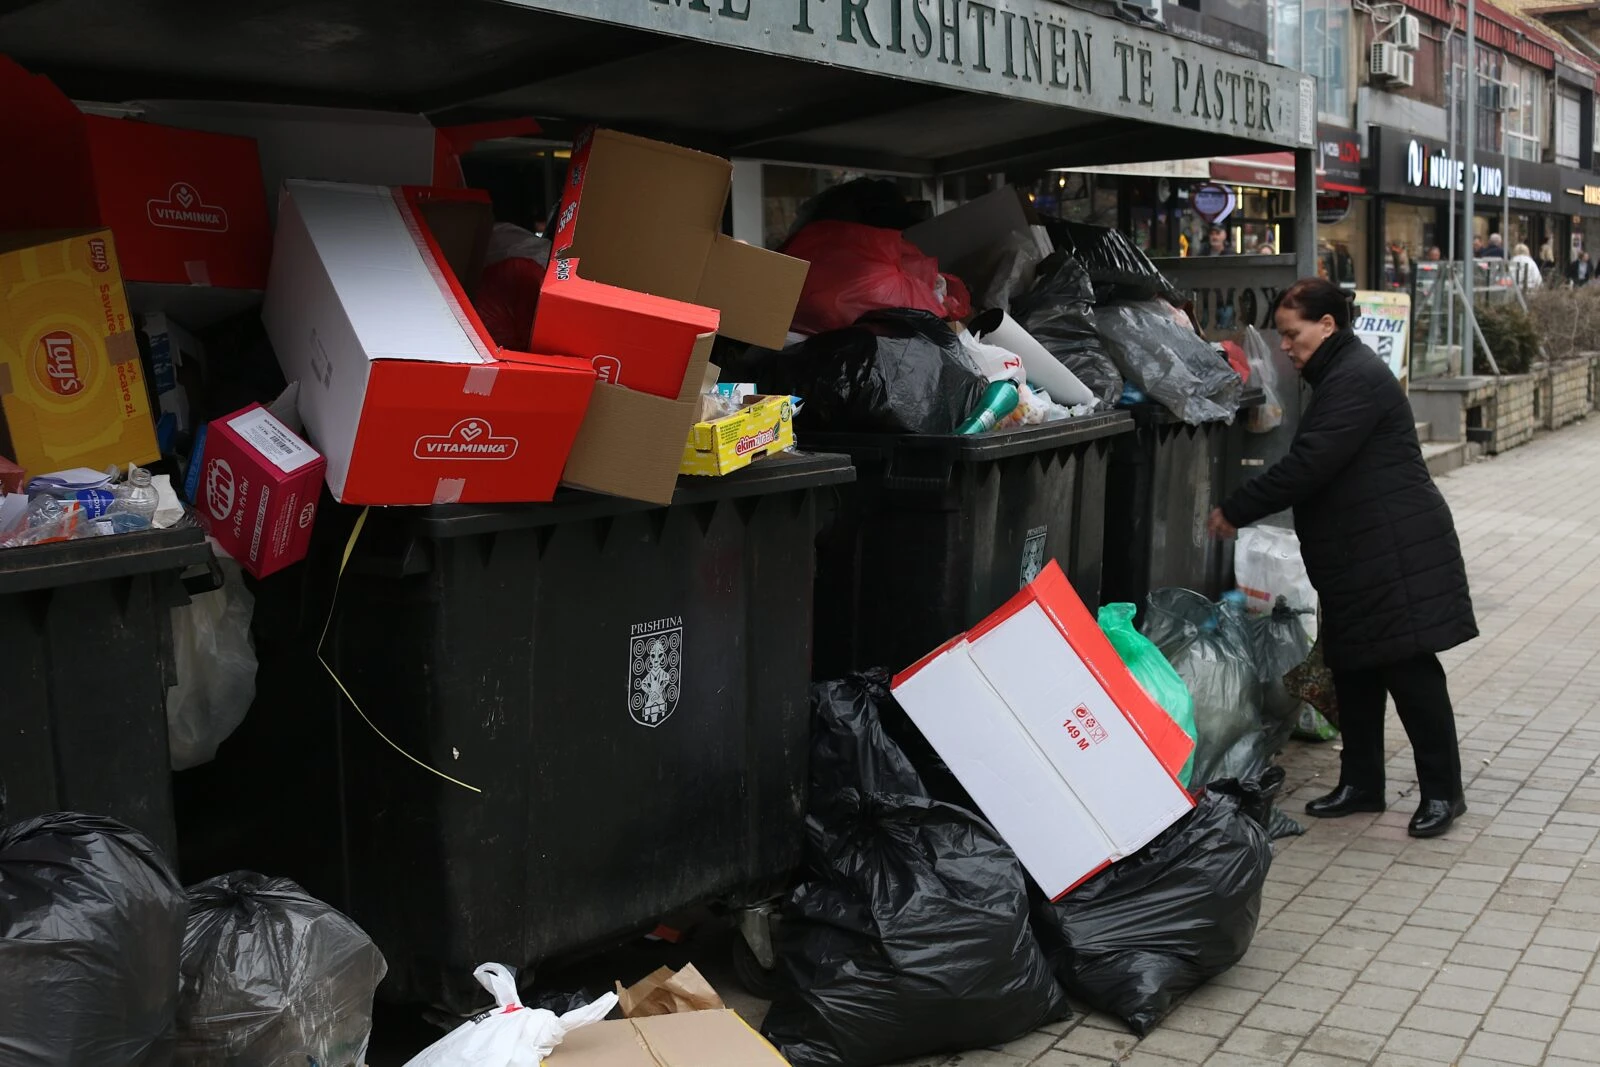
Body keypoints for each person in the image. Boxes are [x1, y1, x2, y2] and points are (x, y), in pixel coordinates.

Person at [1206, 278, 1478, 838]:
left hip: (1393, 547)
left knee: (1408, 667)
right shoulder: (1335, 371)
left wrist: (1237, 509)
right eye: (1281, 335)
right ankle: (1361, 783)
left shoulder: (1354, 377)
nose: (1285, 346)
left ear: (1327, 325)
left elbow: (1311, 463)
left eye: (1292, 333)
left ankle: (1443, 794)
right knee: (1354, 666)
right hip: (1359, 548)